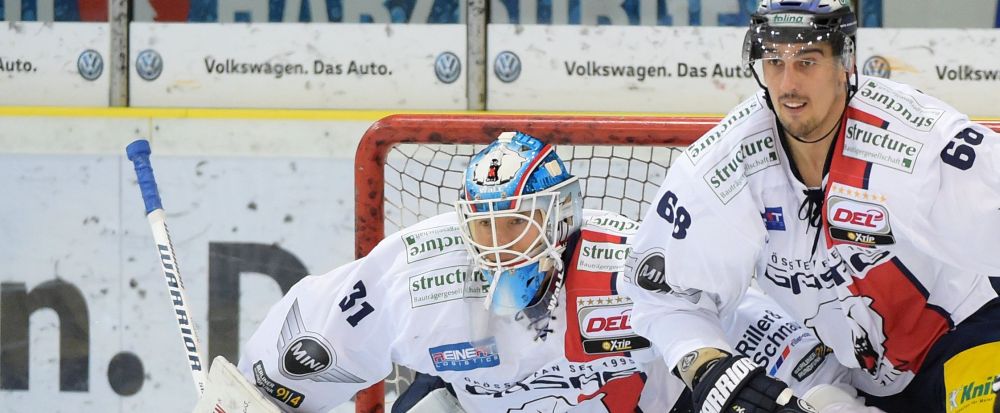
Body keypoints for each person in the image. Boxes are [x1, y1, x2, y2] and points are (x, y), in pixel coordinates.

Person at [230, 131, 856, 413]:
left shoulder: (629, 265)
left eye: (517, 222)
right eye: (485, 223)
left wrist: (825, 394)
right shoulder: (423, 270)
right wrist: (248, 400)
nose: (496, 244)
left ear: (559, 220)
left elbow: (757, 336)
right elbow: (312, 342)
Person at [619, 1, 1000, 413]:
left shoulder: (916, 142)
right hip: (857, 376)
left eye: (806, 61)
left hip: (965, 334)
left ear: (845, 62)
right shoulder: (728, 164)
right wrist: (713, 373)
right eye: (774, 61)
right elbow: (664, 297)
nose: (787, 85)